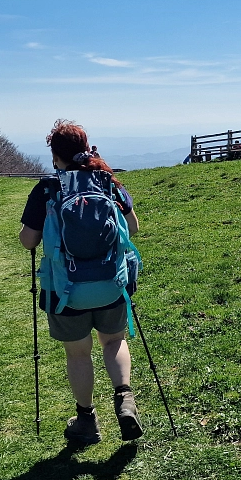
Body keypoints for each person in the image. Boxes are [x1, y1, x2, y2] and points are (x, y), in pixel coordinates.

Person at [19, 120, 143, 444]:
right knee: (113, 342)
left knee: (77, 354)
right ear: (86, 148)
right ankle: (124, 399)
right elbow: (133, 227)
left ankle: (86, 421)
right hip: (111, 284)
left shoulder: (47, 188)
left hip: (65, 290)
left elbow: (28, 240)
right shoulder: (106, 180)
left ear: (55, 155)